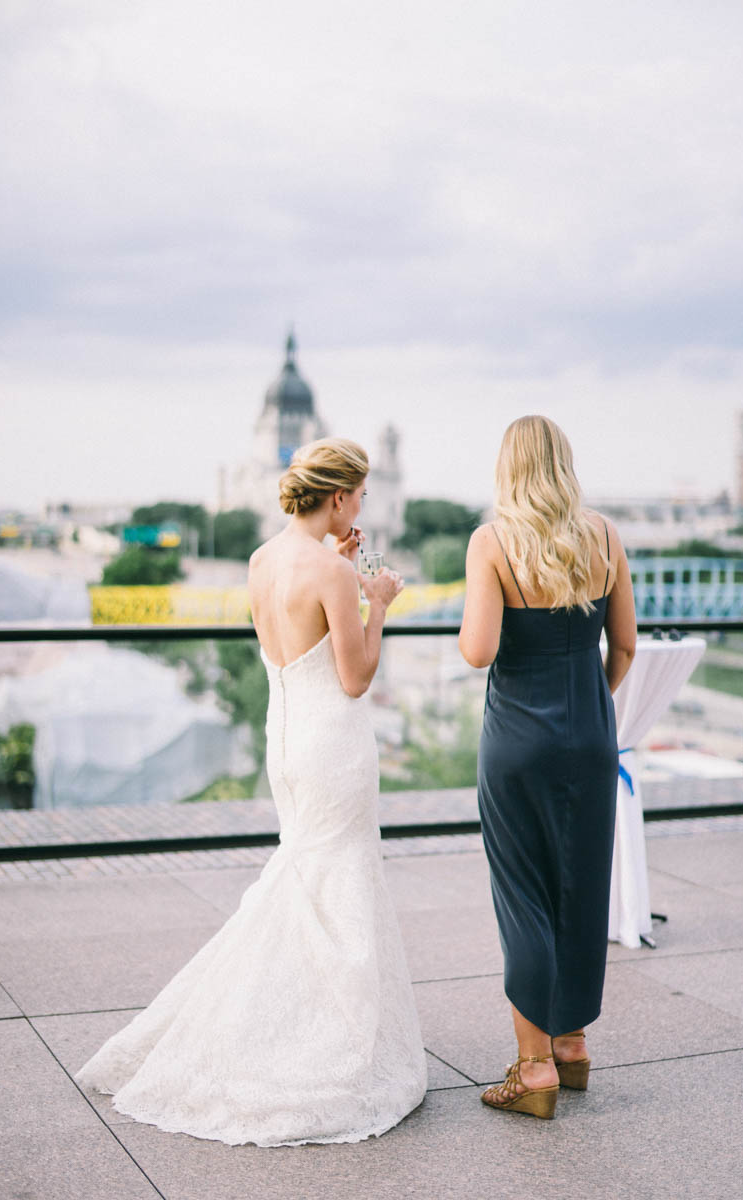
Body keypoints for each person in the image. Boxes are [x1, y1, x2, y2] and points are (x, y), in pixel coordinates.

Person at [76, 437, 427, 1146]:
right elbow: (356, 676)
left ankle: (287, 1018)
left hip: (287, 736)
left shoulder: (262, 560)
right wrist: (378, 599)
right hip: (333, 739)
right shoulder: (330, 571)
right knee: (339, 879)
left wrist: (354, 563)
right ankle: (330, 1038)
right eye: (356, 496)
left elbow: (293, 644)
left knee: (303, 875)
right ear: (336, 497)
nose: (361, 507)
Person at [458, 415, 636, 1120]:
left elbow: (477, 650)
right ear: (564, 464)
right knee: (580, 887)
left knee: (524, 897)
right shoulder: (605, 537)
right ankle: (571, 1046)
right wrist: (589, 710)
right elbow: (623, 647)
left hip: (516, 743)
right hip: (590, 738)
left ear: (508, 469)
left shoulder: (492, 542)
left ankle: (532, 1070)